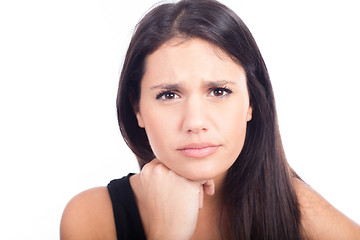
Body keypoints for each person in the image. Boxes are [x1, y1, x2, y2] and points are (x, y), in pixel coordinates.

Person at [60, 0, 360, 239]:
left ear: (251, 103)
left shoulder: (299, 208)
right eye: (168, 95)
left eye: (218, 91)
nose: (195, 121)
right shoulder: (93, 216)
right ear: (137, 108)